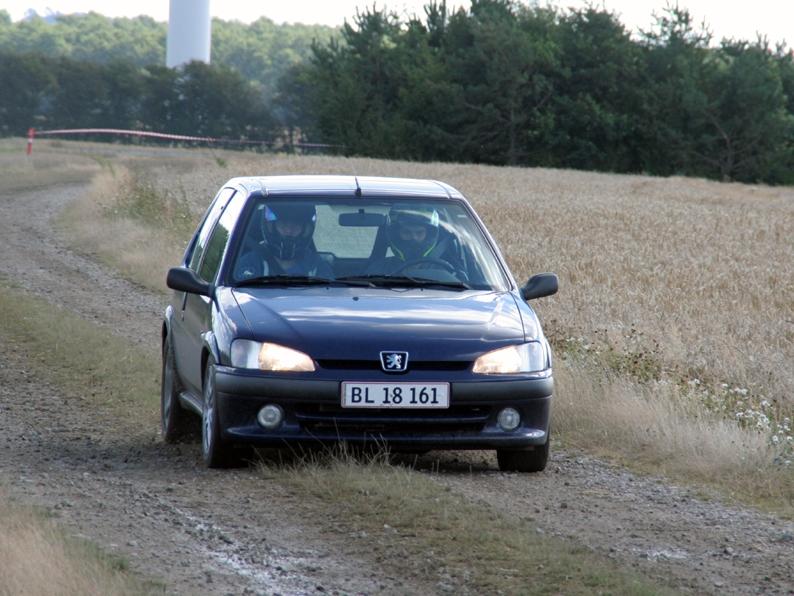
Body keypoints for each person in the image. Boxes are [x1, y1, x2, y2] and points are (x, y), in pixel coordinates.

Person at [234, 203, 333, 280]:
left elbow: (330, 297)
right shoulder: (250, 263)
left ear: (305, 230)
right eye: (283, 224)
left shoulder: (316, 266)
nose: (289, 231)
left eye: (296, 225)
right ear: (271, 226)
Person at [366, 205, 465, 277]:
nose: (414, 238)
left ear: (428, 235)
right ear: (396, 235)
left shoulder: (444, 271)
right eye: (407, 232)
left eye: (419, 233)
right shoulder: (379, 268)